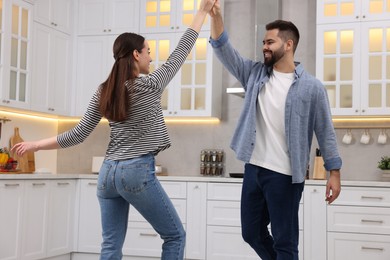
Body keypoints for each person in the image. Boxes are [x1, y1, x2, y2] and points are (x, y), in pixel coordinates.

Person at [11, 0, 216, 259]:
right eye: (148, 51)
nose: (151, 57)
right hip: (135, 172)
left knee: (110, 246)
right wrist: (201, 12)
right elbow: (182, 50)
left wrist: (35, 144)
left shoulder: (103, 90)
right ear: (136, 55)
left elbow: (79, 133)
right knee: (175, 236)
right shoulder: (151, 85)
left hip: (107, 174)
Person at [208, 1, 342, 259]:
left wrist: (333, 173)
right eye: (263, 42)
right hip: (254, 168)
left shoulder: (312, 87)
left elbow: (325, 131)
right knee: (251, 232)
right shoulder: (255, 74)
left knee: (285, 241)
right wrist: (216, 15)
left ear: (288, 44)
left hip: (285, 176)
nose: (264, 47)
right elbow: (223, 48)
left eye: (270, 42)